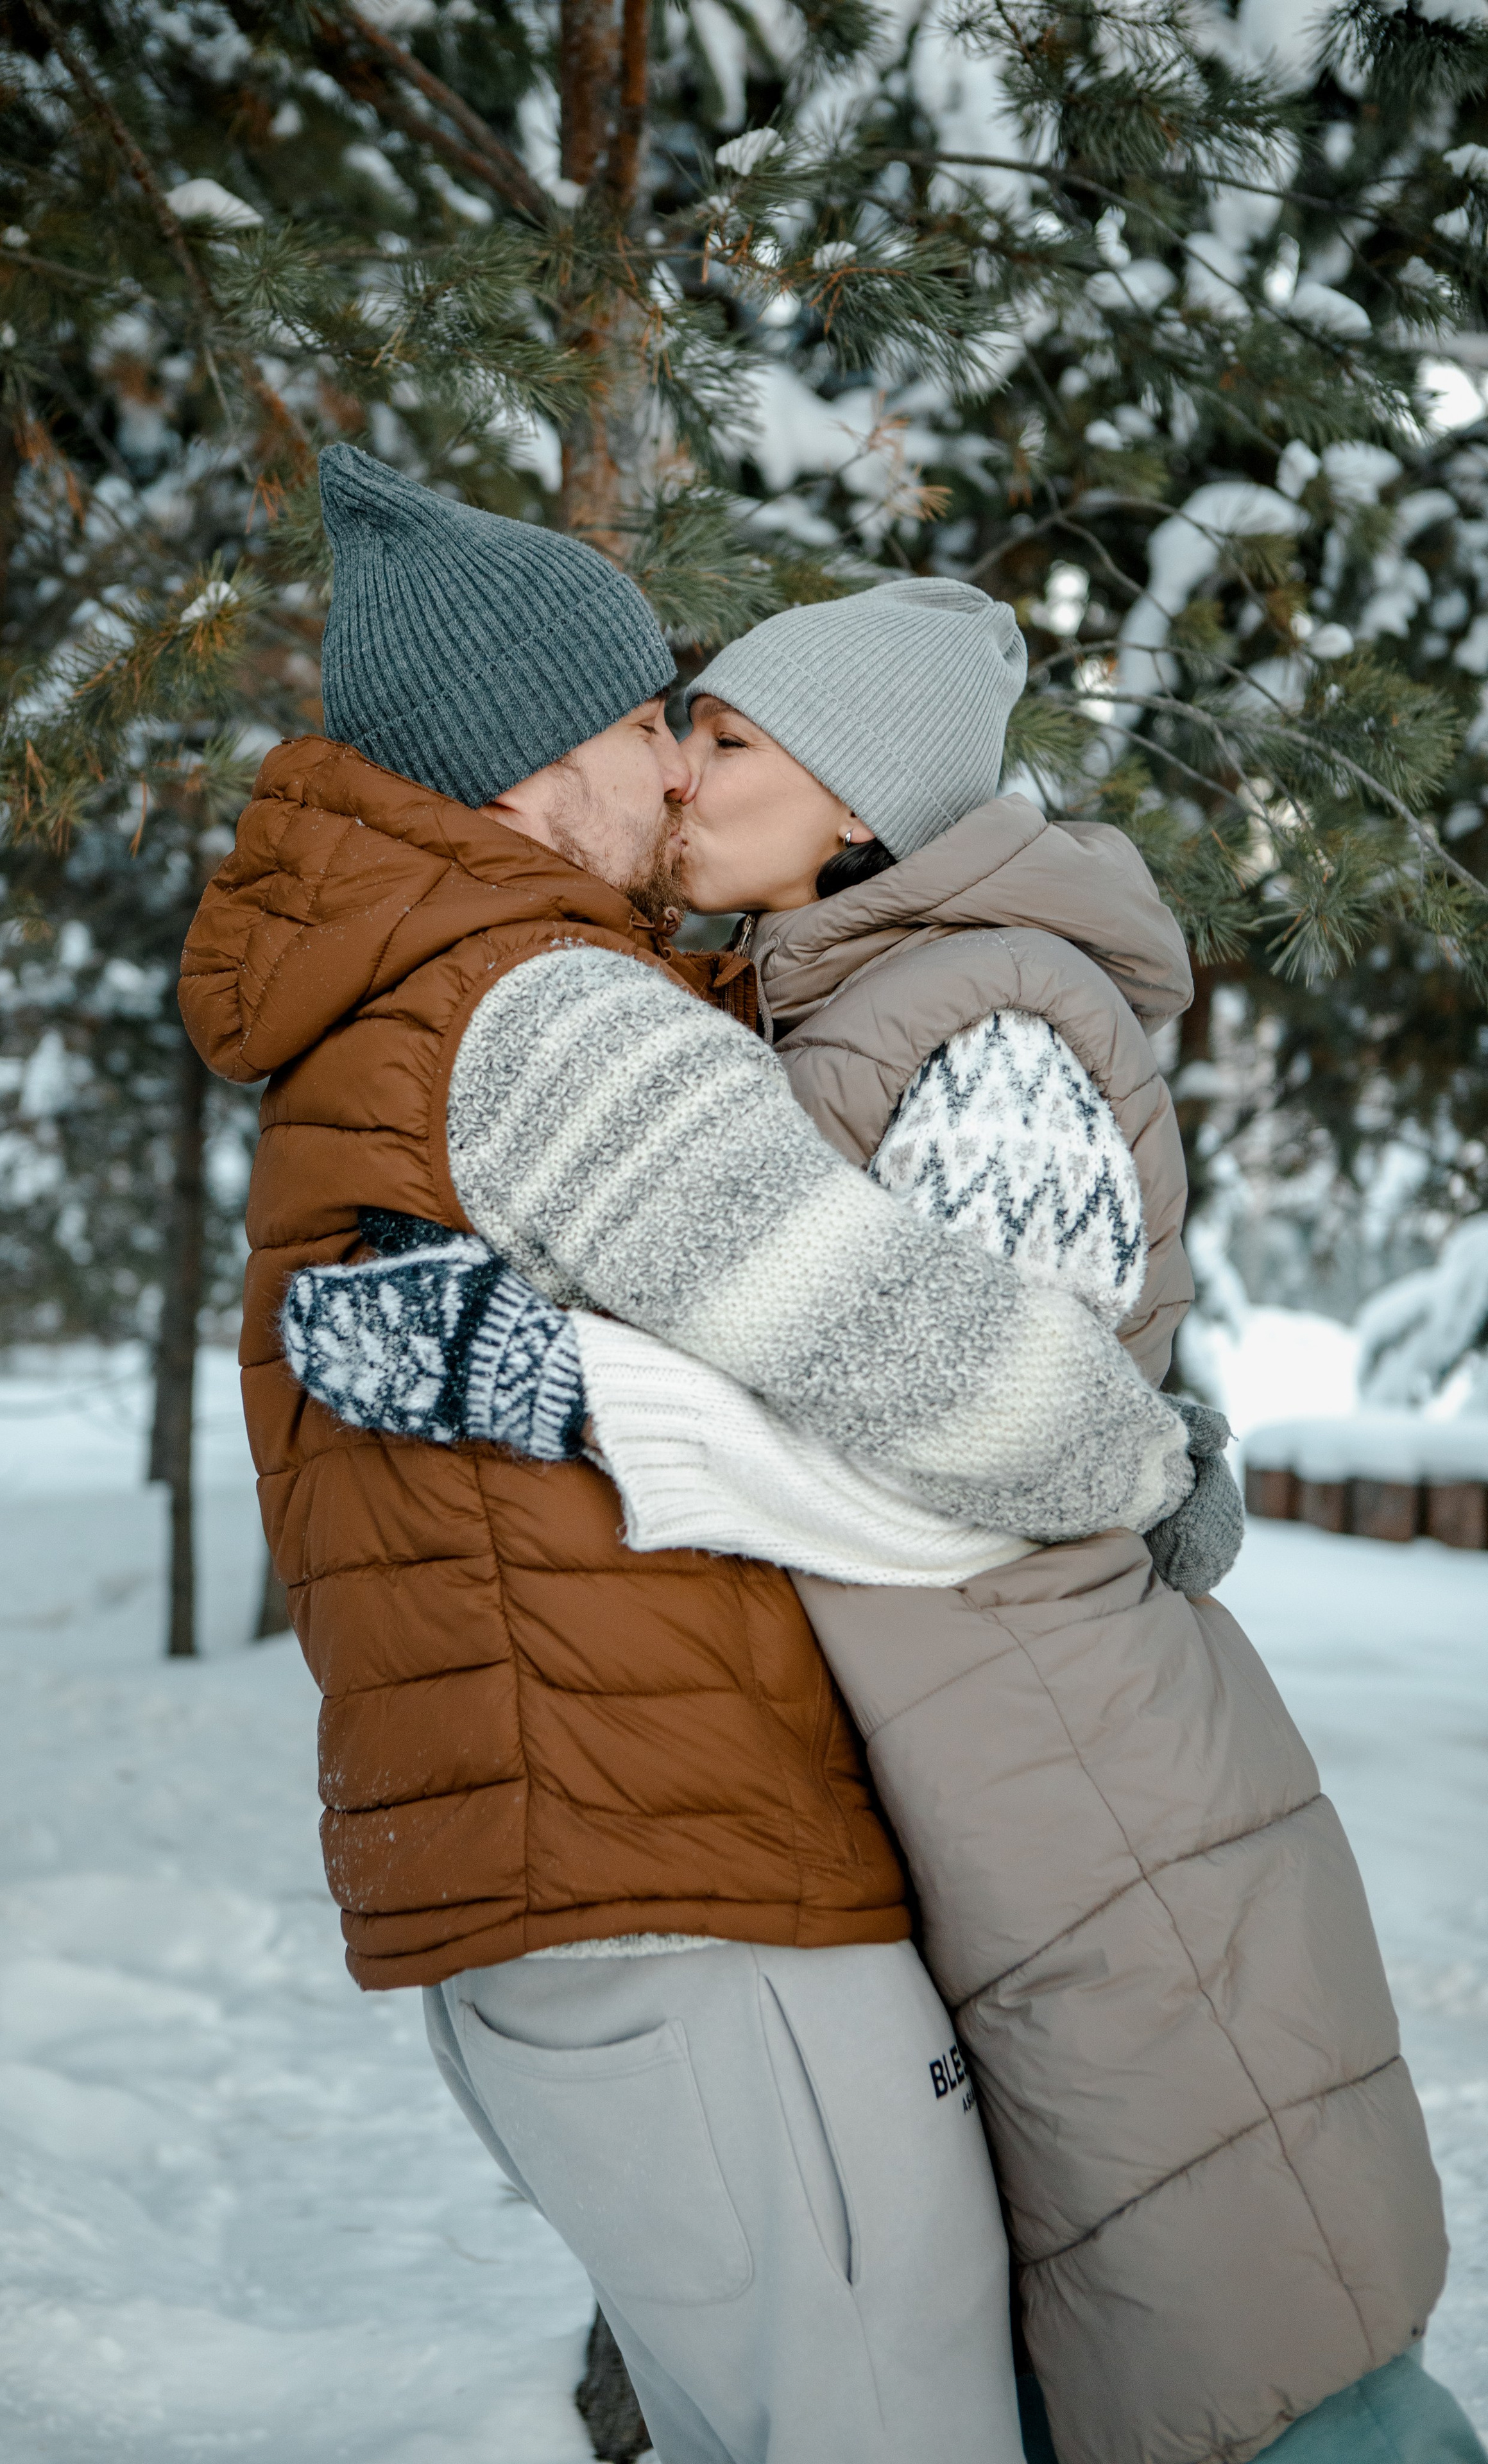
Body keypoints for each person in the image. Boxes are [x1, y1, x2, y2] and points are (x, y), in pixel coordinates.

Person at [280, 569, 1484, 2464]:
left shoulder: (978, 1017)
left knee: (1245, 2302)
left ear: (854, 801)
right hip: (953, 1747)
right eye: (675, 732)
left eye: (731, 740)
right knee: (1087, 2311)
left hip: (1067, 1752)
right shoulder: (813, 999)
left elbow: (1013, 1443)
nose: (681, 776)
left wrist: (569, 1385)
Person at [180, 445, 1204, 2464]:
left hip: (564, 1879)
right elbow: (1018, 1409)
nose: (676, 769)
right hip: (691, 1899)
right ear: (544, 751)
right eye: (659, 720)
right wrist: (1158, 1450)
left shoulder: (386, 1000)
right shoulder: (554, 1013)